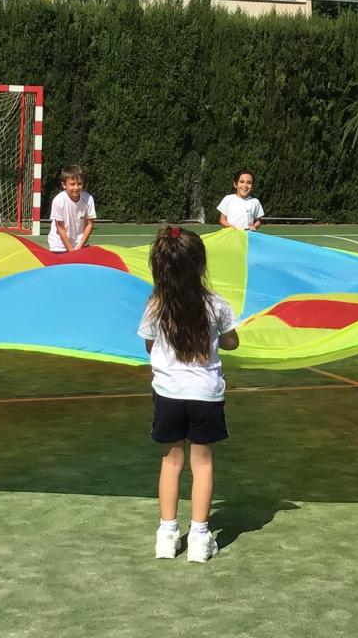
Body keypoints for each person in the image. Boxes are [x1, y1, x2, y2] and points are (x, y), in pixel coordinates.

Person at [140, 226, 239, 563]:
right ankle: (199, 537)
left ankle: (167, 535)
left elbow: (149, 344)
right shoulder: (216, 305)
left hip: (168, 393)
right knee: (203, 463)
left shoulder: (156, 306)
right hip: (206, 395)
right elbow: (232, 341)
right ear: (200, 265)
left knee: (171, 462)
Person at [47, 165, 96, 253]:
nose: (76, 187)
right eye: (72, 184)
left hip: (81, 244)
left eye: (79, 184)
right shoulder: (58, 201)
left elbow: (89, 224)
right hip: (60, 246)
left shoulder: (88, 199)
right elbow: (60, 228)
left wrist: (79, 247)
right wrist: (71, 250)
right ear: (64, 185)